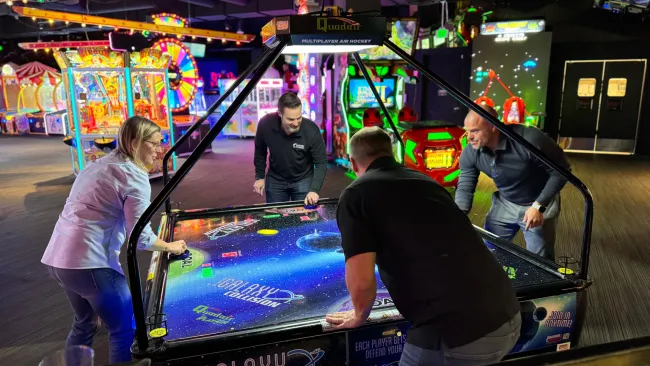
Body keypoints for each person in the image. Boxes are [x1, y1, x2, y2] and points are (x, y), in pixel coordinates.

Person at [325, 127, 521, 366]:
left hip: (457, 334)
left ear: (353, 163)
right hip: (508, 314)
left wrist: (359, 315)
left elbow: (362, 280)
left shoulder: (356, 194)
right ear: (392, 153)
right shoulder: (425, 180)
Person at [41, 117, 187, 363]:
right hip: (90, 263)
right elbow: (141, 239)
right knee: (125, 331)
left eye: (161, 142)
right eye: (154, 143)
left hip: (58, 259)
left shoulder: (99, 163)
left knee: (85, 323)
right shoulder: (133, 177)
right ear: (133, 143)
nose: (160, 149)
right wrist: (170, 246)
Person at [455, 106, 570, 261]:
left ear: (493, 126)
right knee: (489, 250)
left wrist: (538, 206)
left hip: (538, 201)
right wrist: (458, 215)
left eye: (475, 131)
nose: (469, 137)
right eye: (467, 131)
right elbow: (465, 186)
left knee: (541, 261)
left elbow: (561, 171)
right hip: (506, 201)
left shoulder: (529, 139)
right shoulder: (471, 151)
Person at [253, 92, 327, 205]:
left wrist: (314, 190)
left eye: (299, 117)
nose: (296, 123)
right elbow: (260, 151)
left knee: (302, 219)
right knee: (275, 217)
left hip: (303, 178)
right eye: (291, 119)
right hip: (276, 178)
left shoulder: (311, 130)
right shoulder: (265, 124)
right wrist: (259, 176)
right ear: (280, 114)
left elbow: (321, 163)